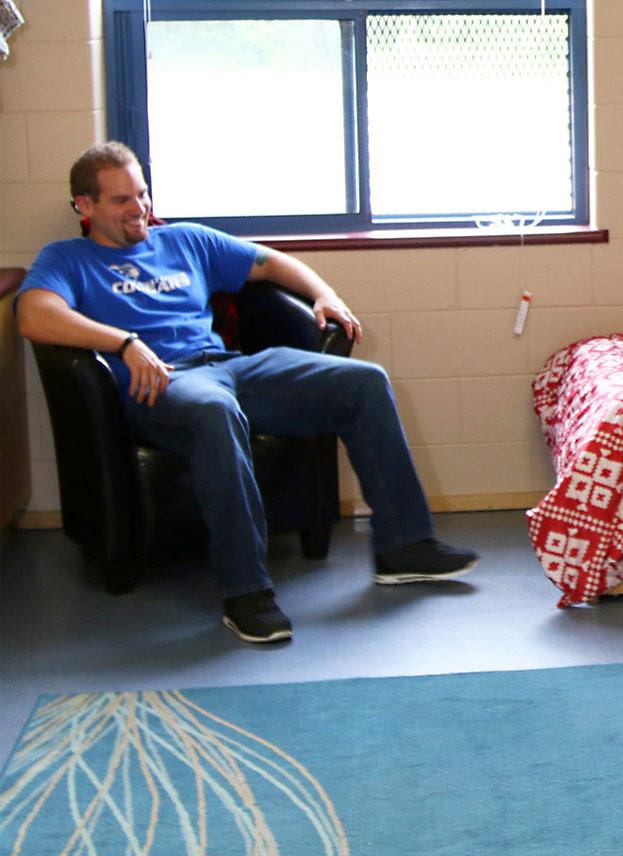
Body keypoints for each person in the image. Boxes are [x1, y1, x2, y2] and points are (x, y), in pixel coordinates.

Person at [14, 142, 477, 645]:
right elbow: (33, 315)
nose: (139, 208)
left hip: (231, 367)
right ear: (85, 206)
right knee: (216, 411)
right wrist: (124, 342)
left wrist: (326, 295)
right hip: (162, 385)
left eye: (142, 194)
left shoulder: (185, 241)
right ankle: (246, 592)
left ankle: (403, 546)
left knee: (365, 383)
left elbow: (271, 263)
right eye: (121, 200)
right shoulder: (67, 258)